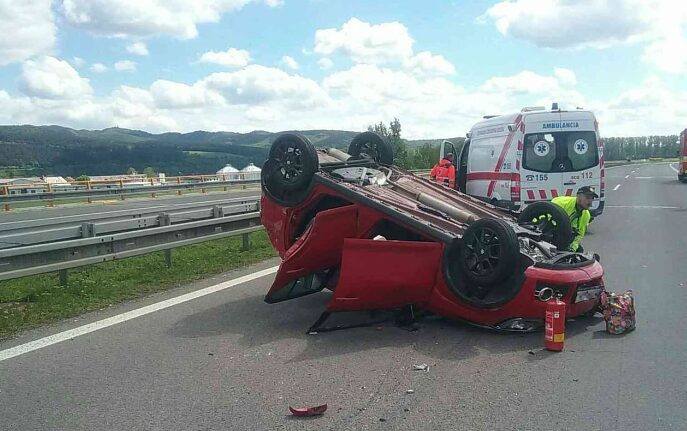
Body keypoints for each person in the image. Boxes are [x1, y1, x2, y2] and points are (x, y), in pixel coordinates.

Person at [551, 186, 598, 252]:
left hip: (565, 240)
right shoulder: (562, 203)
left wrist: (572, 248)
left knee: (580, 252)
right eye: (587, 197)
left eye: (592, 198)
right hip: (549, 235)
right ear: (578, 196)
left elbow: (580, 235)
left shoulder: (586, 215)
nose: (590, 201)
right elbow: (543, 214)